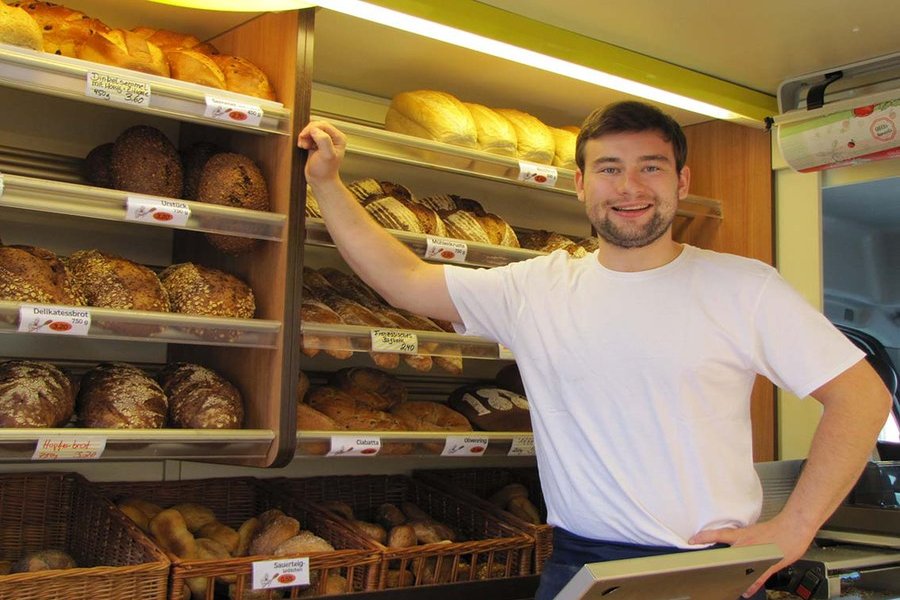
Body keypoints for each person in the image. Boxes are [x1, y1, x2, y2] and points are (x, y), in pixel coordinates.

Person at [297, 101, 892, 600]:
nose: (629, 187)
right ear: (581, 185)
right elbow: (403, 279)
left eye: (651, 167)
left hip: (710, 567)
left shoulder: (744, 287)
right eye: (609, 169)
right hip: (581, 564)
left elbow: (861, 397)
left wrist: (796, 526)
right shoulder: (536, 288)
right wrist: (326, 182)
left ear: (681, 183)